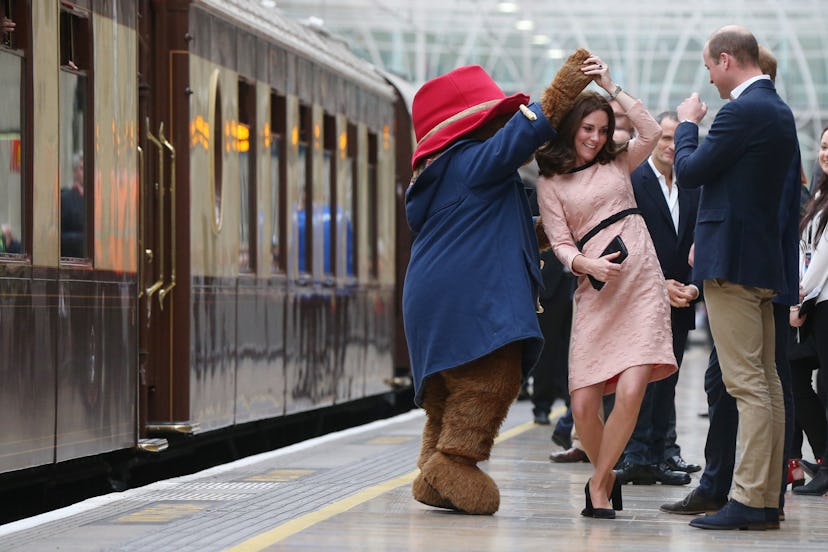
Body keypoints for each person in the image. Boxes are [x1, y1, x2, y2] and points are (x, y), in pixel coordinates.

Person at [404, 52, 592, 515]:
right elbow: (525, 133)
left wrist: (556, 232)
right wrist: (565, 87)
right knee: (494, 374)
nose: (504, 127)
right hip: (466, 300)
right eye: (497, 119)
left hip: (435, 298)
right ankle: (453, 462)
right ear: (472, 127)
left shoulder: (452, 175)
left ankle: (433, 468)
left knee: (449, 395)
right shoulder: (471, 160)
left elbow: (504, 230)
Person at [666, 26, 798, 530]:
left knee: (746, 385)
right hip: (760, 261)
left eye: (709, 68)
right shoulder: (776, 109)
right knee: (765, 382)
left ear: (725, 60)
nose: (710, 79)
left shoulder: (742, 111)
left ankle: (747, 499)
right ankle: (764, 498)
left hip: (734, 265)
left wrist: (685, 125)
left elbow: (692, 170)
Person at [535, 55, 677, 520]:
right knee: (583, 403)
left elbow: (651, 132)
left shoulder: (619, 161)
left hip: (640, 281)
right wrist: (585, 262)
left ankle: (599, 485)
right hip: (595, 286)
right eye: (588, 129)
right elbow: (557, 241)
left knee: (633, 388)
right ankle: (607, 473)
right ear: (572, 128)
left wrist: (612, 87)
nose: (595, 138)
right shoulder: (551, 180)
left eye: (602, 129)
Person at [615, 110, 701, 486]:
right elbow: (625, 241)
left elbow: (702, 242)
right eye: (664, 138)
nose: (670, 146)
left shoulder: (695, 184)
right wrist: (657, 283)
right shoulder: (633, 180)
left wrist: (695, 285)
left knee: (669, 381)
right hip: (640, 298)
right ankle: (636, 456)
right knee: (639, 381)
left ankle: (661, 454)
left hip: (682, 300)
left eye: (676, 139)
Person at [791, 126, 828, 496]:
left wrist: (800, 299)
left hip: (818, 299)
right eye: (823, 146)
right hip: (816, 302)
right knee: (801, 379)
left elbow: (822, 257)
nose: (826, 153)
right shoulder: (818, 193)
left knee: (815, 385)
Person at [61, 153, 86, 258]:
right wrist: (84, 238)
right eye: (82, 168)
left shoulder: (99, 199)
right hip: (74, 263)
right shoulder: (65, 199)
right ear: (75, 173)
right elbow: (58, 237)